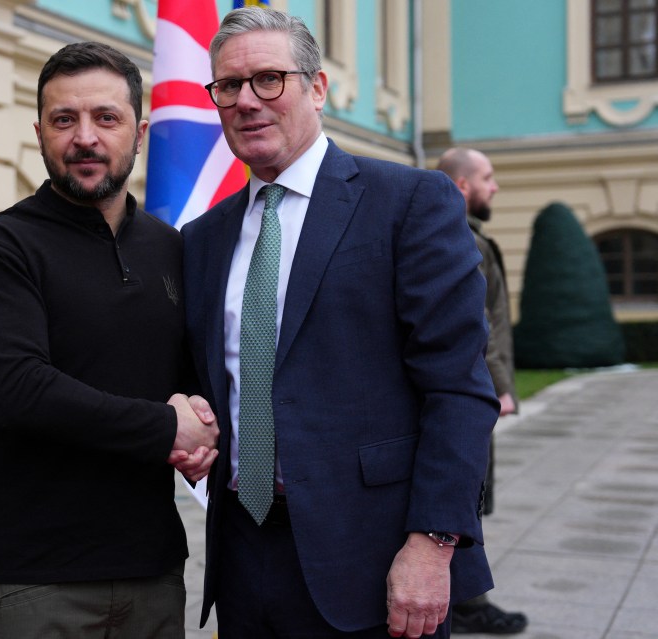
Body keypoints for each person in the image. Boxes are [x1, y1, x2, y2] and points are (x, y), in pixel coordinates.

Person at [182, 8, 500, 638]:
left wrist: (432, 544)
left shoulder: (409, 202)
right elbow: (205, 377)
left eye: (269, 79)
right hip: (242, 553)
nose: (246, 101)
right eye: (228, 86)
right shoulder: (202, 238)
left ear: (318, 88)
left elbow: (458, 388)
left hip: (375, 557)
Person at [0, 41, 219, 638]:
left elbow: (186, 373)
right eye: (63, 119)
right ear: (41, 132)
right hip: (33, 578)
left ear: (140, 131)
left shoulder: (172, 247)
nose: (85, 138)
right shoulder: (0, 248)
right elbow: (18, 391)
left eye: (106, 117)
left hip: (152, 568)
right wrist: (166, 427)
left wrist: (200, 422)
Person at [438, 147, 528, 635]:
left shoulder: (469, 237)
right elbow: (480, 325)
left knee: (467, 494)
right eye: (487, 178)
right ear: (461, 186)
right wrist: (499, 388)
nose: (495, 187)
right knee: (463, 495)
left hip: (472, 390)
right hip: (470, 393)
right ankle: (467, 602)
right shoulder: (460, 241)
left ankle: (465, 597)